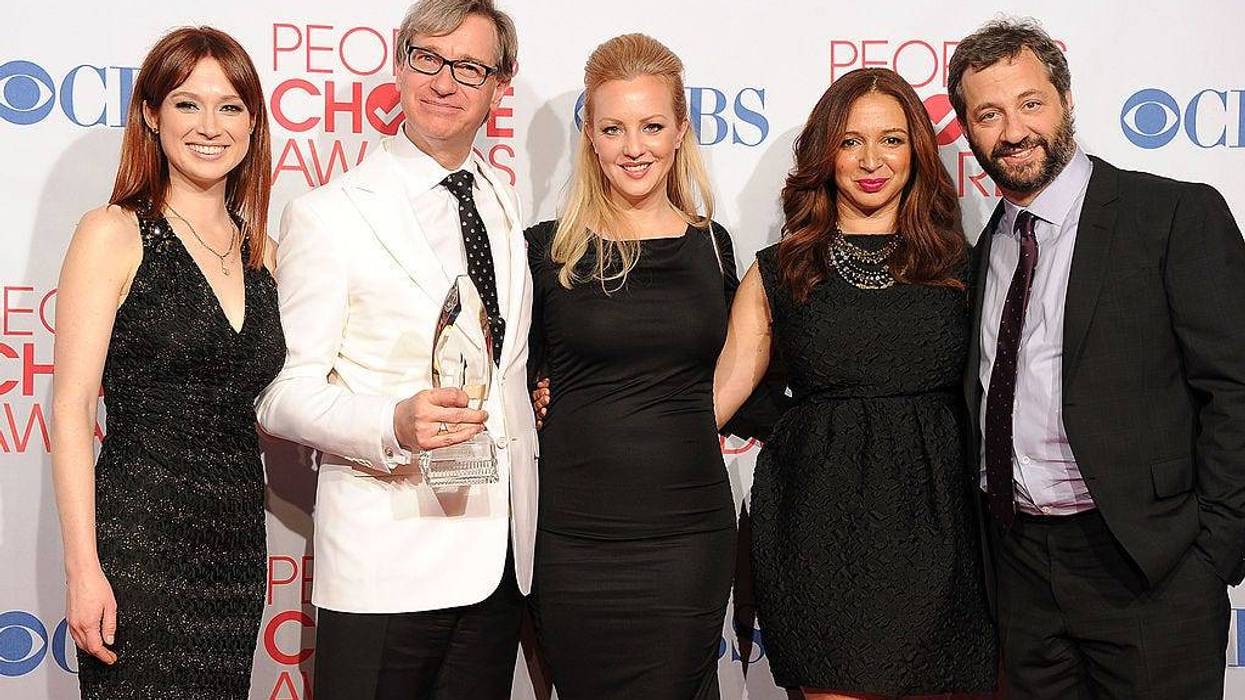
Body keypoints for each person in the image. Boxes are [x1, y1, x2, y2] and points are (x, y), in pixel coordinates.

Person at [948, 17, 1245, 699]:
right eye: (987, 113)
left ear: (1065, 101)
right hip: (1019, 572)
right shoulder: (985, 247)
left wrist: (1211, 553)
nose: (1012, 131)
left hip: (1150, 568)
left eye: (1029, 103)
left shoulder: (1170, 215)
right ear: (966, 129)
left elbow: (1234, 387)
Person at [254, 0, 535, 697]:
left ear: (501, 85)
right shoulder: (328, 214)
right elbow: (282, 393)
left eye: (468, 67)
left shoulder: (504, 204)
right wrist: (391, 422)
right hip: (386, 567)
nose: (444, 82)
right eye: (427, 59)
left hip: (498, 562)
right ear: (400, 64)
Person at [713, 68, 996, 699]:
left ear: (918, 151)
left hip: (942, 535)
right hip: (816, 527)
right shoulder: (782, 271)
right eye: (850, 141)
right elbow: (720, 394)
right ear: (825, 153)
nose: (872, 160)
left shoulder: (965, 267)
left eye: (891, 140)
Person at [50, 26, 283, 699]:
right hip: (140, 542)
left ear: (252, 124)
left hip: (237, 541)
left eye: (230, 107)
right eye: (187, 103)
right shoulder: (113, 231)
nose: (209, 126)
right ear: (151, 115)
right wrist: (83, 569)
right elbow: (70, 411)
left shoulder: (261, 249)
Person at [524, 33, 737, 699]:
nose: (633, 146)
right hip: (572, 540)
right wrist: (529, 389)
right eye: (612, 128)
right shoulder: (544, 251)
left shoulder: (713, 248)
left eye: (651, 126)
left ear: (679, 132)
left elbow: (747, 371)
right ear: (588, 135)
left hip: (686, 537)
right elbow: (510, 372)